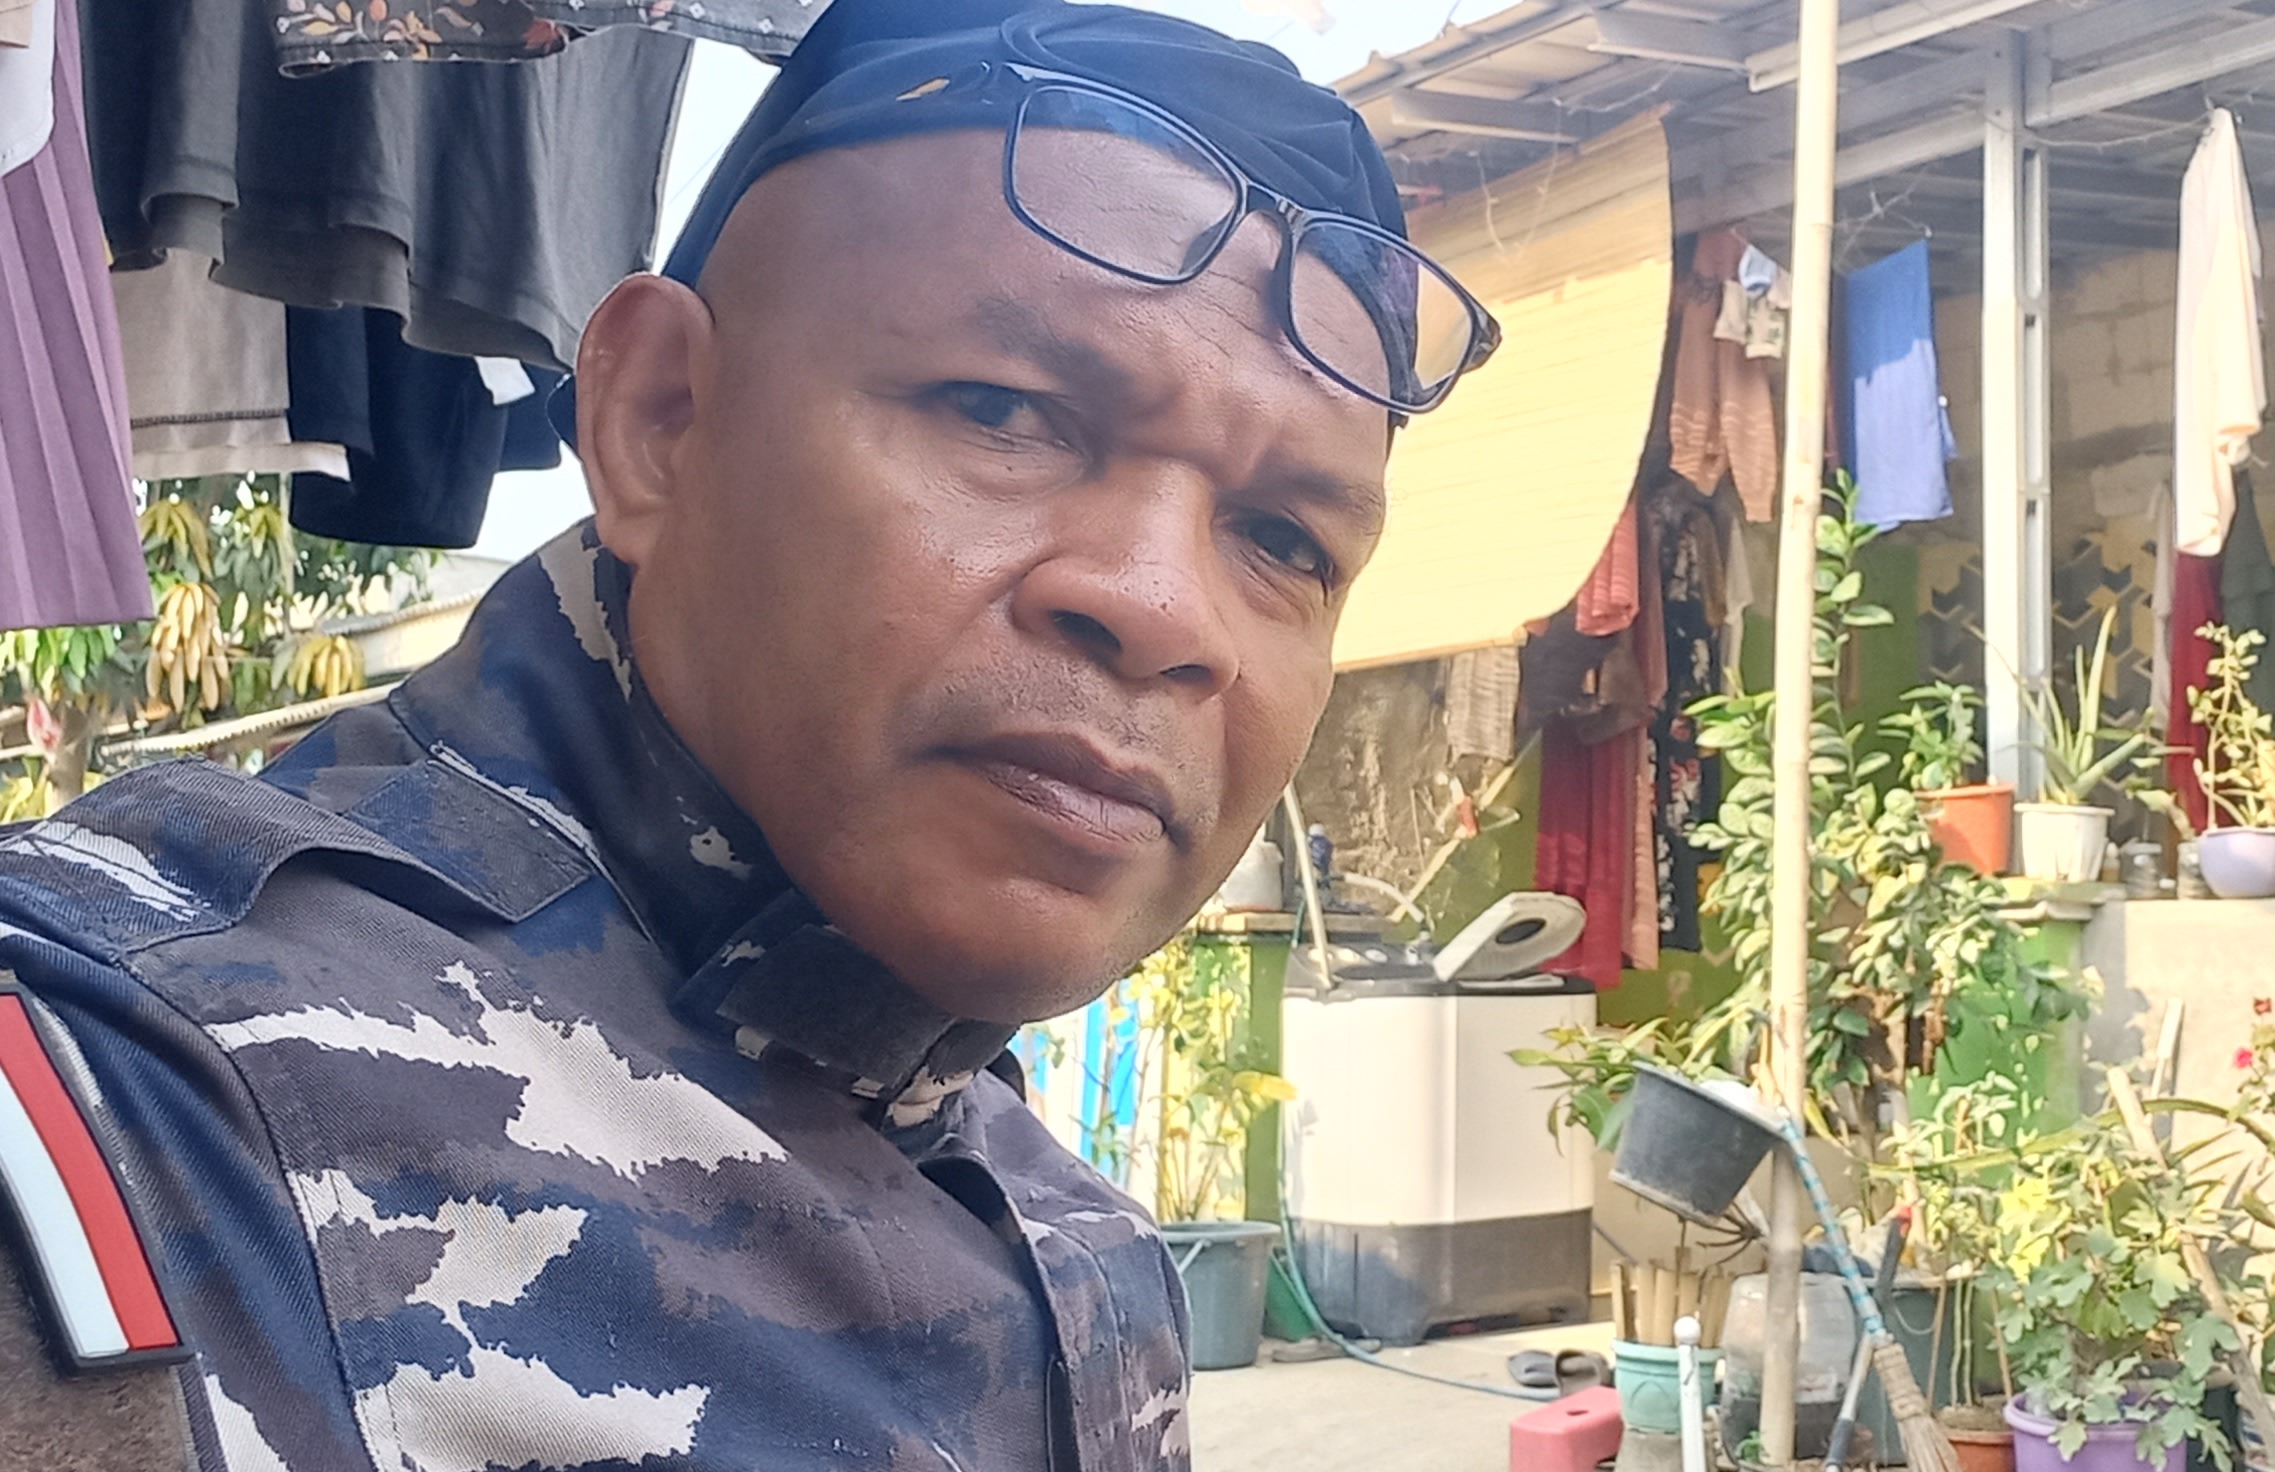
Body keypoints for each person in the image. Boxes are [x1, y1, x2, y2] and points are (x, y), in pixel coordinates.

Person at [0, 3, 1495, 1468]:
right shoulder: (126, 1102)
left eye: (1286, 541)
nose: (1165, 609)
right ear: (658, 418)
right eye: (1004, 410)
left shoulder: (1075, 1235)